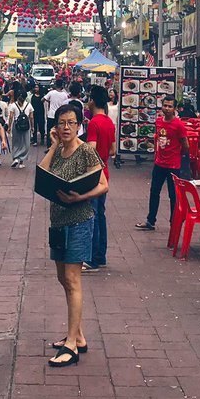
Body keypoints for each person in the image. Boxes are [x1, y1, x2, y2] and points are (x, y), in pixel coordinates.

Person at [38, 103, 108, 367]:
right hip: (57, 222)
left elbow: (103, 184)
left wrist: (81, 196)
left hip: (79, 221)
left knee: (72, 278)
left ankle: (71, 344)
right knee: (62, 278)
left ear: (79, 125)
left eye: (71, 122)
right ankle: (78, 336)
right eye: (61, 123)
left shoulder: (86, 152)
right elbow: (42, 174)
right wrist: (54, 145)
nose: (66, 127)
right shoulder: (59, 151)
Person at [135, 96, 189, 231]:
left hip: (173, 165)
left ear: (175, 109)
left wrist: (178, 154)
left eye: (170, 106)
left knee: (173, 195)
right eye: (165, 105)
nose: (167, 108)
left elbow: (186, 145)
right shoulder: (158, 121)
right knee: (154, 192)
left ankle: (174, 222)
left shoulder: (179, 125)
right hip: (159, 163)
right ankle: (150, 221)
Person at [83, 85, 115, 272]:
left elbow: (91, 148)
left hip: (94, 176)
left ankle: (93, 260)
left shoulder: (94, 123)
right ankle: (101, 256)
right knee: (100, 215)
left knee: (92, 216)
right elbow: (112, 150)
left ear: (92, 101)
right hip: (106, 174)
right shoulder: (109, 122)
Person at [6, 85, 33, 168]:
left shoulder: (13, 105)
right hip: (26, 126)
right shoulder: (29, 105)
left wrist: (9, 127)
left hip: (16, 125)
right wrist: (32, 127)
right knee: (25, 143)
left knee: (15, 142)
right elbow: (31, 117)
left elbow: (11, 117)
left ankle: (15, 158)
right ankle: (21, 161)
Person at [107, 89, 121, 168]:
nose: (110, 93)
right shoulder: (107, 104)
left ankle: (116, 156)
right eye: (109, 92)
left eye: (112, 92)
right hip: (109, 123)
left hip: (116, 124)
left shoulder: (118, 104)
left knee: (115, 139)